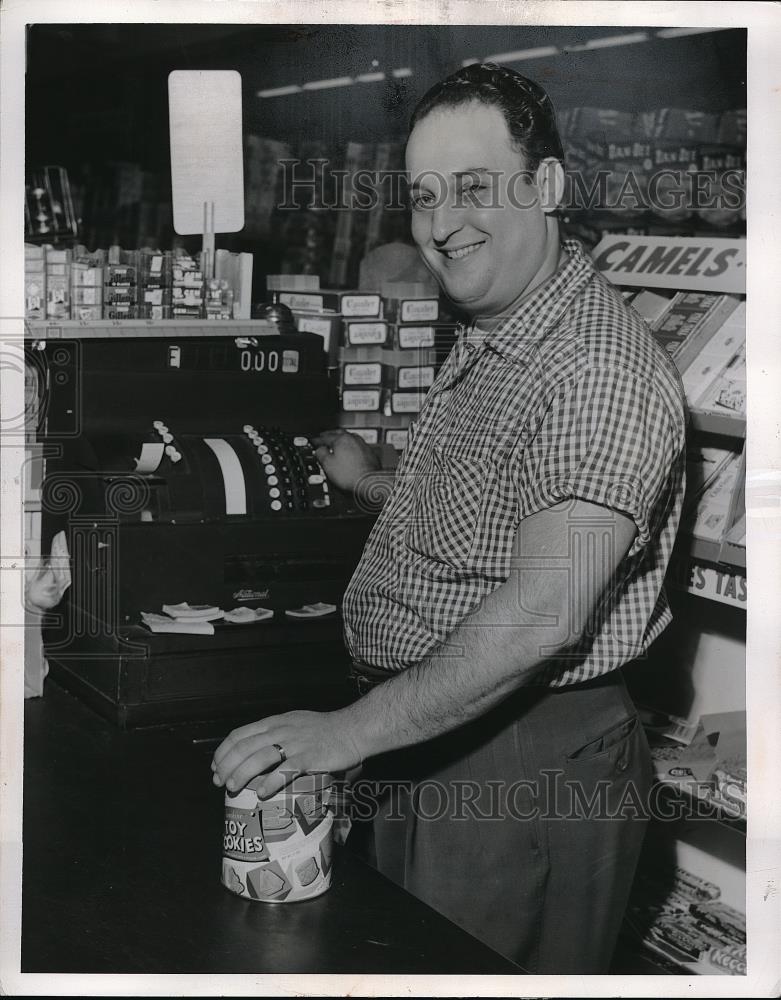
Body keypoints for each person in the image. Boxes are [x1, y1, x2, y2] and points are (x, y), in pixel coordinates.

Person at [213, 64, 687, 973]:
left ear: (546, 187)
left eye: (473, 188)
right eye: (424, 196)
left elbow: (545, 610)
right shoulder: (501, 335)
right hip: (433, 737)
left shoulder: (594, 372)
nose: (440, 224)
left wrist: (341, 736)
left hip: (517, 769)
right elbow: (496, 512)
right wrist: (368, 486)